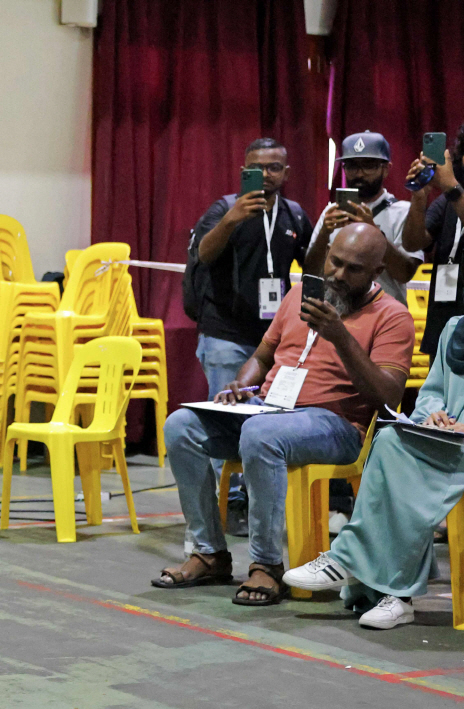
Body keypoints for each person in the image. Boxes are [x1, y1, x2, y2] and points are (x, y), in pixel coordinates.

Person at [153, 225, 414, 606]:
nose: (338, 275)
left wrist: (339, 335)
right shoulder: (298, 296)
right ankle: (210, 553)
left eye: (353, 269)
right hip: (267, 409)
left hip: (335, 424)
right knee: (181, 426)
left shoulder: (393, 316)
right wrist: (240, 385)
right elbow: (262, 356)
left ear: (376, 272)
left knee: (261, 435)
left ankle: (266, 564)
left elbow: (388, 397)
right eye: (334, 262)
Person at [283, 313, 464, 628]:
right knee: (390, 439)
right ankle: (393, 594)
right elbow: (433, 390)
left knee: (401, 465)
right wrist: (432, 414)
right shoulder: (454, 327)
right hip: (445, 441)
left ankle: (358, 566)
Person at [185, 138, 314, 534]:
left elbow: (313, 267)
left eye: (275, 167)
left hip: (270, 342)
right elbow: (203, 256)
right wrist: (230, 221)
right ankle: (208, 522)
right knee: (220, 427)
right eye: (257, 168)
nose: (267, 175)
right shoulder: (225, 208)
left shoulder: (293, 215)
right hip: (225, 332)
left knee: (261, 427)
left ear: (286, 173)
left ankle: (246, 506)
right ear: (243, 170)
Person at [306, 131, 420, 305]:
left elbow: (405, 273)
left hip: (383, 317)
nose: (359, 174)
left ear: (386, 169)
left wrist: (373, 231)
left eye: (368, 165)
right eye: (351, 166)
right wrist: (323, 234)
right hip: (334, 316)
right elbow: (310, 273)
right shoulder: (331, 211)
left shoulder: (403, 212)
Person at [402, 124, 464, 361]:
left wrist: (450, 186)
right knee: (437, 398)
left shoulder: (454, 192)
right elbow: (412, 242)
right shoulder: (449, 199)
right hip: (443, 326)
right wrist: (419, 196)